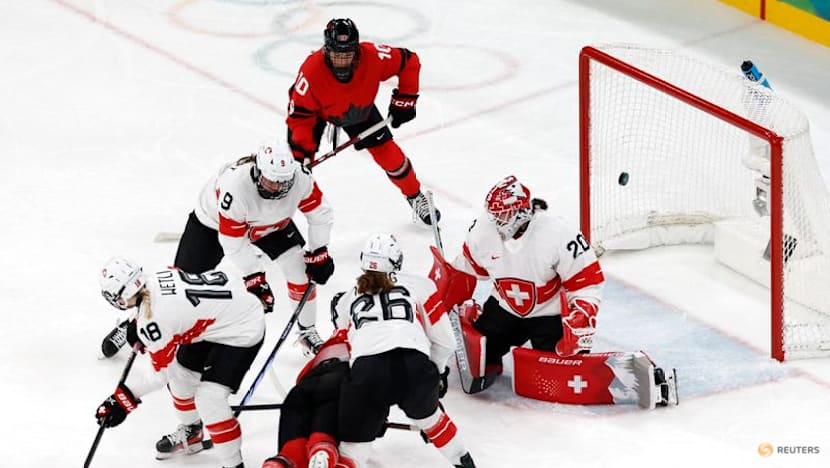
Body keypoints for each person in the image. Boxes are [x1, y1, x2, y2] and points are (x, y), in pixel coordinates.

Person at [101, 140, 334, 357]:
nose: (276, 188)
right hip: (211, 224)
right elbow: (232, 242)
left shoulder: (301, 179)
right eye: (270, 181)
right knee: (177, 285)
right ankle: (133, 322)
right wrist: (255, 277)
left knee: (300, 272)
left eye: (283, 183)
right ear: (257, 171)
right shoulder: (236, 187)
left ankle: (307, 331)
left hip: (271, 225)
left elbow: (320, 213)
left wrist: (318, 251)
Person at [93, 257, 266, 468]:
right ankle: (192, 431)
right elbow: (168, 308)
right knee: (181, 374)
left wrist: (122, 400)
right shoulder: (158, 276)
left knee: (209, 400)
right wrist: (138, 323)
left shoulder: (152, 322)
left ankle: (233, 465)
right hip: (220, 318)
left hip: (242, 329)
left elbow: (160, 374)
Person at [327, 233, 476, 468]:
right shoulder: (420, 285)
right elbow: (446, 341)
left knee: (352, 449)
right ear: (396, 261)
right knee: (434, 422)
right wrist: (437, 373)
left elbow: (343, 345)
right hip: (414, 366)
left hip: (368, 372)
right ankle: (464, 462)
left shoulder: (346, 299)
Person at [285, 18, 440, 226]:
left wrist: (405, 100)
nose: (342, 62)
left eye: (347, 55)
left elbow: (409, 61)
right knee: (296, 174)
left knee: (391, 157)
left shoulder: (373, 56)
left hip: (359, 110)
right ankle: (277, 220)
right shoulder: (311, 71)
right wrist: (302, 152)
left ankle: (414, 195)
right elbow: (299, 118)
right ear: (326, 50)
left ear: (356, 50)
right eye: (336, 55)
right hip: (316, 114)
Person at [261, 329, 350, 468]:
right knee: (328, 405)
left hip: (311, 376)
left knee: (294, 406)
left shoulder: (338, 336)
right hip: (344, 372)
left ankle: (286, 458)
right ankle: (322, 448)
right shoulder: (369, 340)